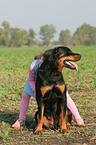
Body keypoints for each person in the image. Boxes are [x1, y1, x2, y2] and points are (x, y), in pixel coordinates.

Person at [12, 52, 85, 128]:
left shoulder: (53, 63)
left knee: (65, 95)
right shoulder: (34, 65)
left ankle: (78, 118)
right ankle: (21, 120)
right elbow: (31, 80)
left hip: (49, 78)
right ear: (41, 59)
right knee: (25, 95)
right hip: (35, 80)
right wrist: (34, 89)